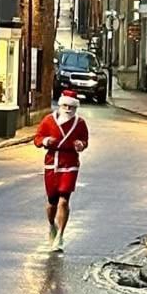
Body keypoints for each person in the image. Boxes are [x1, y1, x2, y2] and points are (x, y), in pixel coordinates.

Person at [34, 90, 89, 252]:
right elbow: (37, 138)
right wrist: (45, 140)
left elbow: (85, 140)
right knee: (52, 201)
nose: (68, 109)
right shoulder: (48, 120)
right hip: (52, 164)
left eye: (71, 106)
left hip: (70, 164)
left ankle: (60, 236)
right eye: (65, 105)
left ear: (75, 108)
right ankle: (52, 226)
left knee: (64, 200)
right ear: (60, 105)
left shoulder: (80, 123)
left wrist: (81, 145)